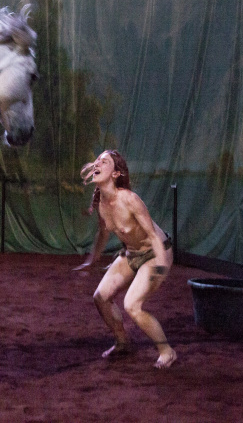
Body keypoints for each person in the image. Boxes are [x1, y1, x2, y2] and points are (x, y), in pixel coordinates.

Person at [73, 149, 177, 369]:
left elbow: (153, 236)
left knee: (132, 305)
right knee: (101, 297)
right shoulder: (101, 203)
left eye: (104, 161)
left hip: (156, 252)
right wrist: (92, 260)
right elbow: (103, 234)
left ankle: (167, 352)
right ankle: (122, 343)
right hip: (131, 253)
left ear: (115, 174)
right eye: (97, 160)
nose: (97, 163)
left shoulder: (129, 199)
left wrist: (160, 267)